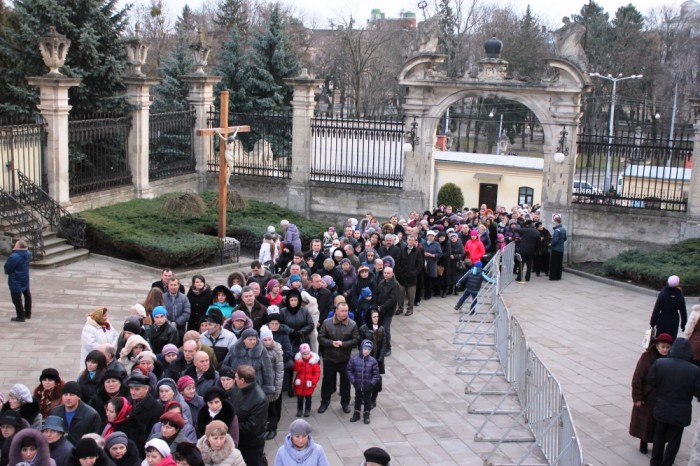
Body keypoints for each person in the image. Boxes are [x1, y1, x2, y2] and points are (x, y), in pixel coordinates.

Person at [647, 337, 700, 465]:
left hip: (662, 408)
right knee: (674, 440)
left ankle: (655, 462)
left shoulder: (661, 363)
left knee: (659, 436)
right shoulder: (695, 370)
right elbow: (698, 392)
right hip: (681, 412)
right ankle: (667, 463)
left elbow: (651, 380)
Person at [629, 333, 672, 455]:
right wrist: (638, 397)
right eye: (663, 347)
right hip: (648, 396)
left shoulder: (671, 359)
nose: (665, 350)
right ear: (657, 345)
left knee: (660, 424)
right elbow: (637, 377)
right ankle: (644, 442)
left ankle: (658, 445)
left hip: (663, 397)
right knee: (646, 422)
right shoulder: (646, 357)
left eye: (667, 347)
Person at [317, 302, 360, 414]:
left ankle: (345, 403)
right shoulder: (327, 323)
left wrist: (343, 344)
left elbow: (356, 340)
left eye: (346, 311)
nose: (344, 313)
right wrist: (331, 343)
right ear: (336, 311)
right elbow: (320, 338)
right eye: (342, 311)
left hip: (344, 359)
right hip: (329, 358)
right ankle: (325, 402)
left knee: (345, 383)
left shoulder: (352, 324)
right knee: (327, 382)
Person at [230, 365, 268, 466]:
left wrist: (231, 426)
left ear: (242, 380)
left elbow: (253, 427)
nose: (234, 379)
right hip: (240, 441)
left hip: (251, 445)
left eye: (236, 377)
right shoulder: (239, 389)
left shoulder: (259, 399)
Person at [49, 382, 101, 447]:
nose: (68, 398)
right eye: (65, 395)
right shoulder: (55, 412)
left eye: (71, 395)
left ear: (79, 397)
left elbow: (95, 440)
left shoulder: (92, 415)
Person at [260, 326, 284, 440]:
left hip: (273, 381)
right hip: (262, 382)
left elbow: (280, 369)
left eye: (269, 339)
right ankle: (265, 425)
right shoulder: (259, 350)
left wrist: (277, 387)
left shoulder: (277, 349)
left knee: (273, 406)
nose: (268, 342)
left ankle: (272, 428)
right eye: (265, 340)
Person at [358, 310, 386, 408]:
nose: (376, 319)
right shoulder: (363, 329)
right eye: (374, 317)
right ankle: (364, 397)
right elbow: (361, 345)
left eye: (377, 316)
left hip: (377, 361)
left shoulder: (381, 329)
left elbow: (383, 345)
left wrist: (380, 358)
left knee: (376, 381)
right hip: (366, 360)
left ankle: (373, 399)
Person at [650, 275, 687, 341]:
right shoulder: (680, 296)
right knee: (672, 338)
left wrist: (653, 322)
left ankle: (660, 349)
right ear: (678, 284)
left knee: (660, 337)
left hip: (663, 318)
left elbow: (656, 309)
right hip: (674, 319)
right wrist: (683, 324)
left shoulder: (663, 294)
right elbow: (683, 311)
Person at [5, 239, 31, 322]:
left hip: (15, 280)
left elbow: (7, 268)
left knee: (16, 298)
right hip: (24, 278)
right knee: (27, 295)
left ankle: (20, 316)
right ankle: (27, 313)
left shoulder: (14, 256)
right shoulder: (28, 253)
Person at [292, 343, 320, 419]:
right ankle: (299, 410)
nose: (306, 355)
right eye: (304, 354)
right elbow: (296, 369)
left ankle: (307, 409)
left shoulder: (313, 362)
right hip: (300, 384)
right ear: (301, 354)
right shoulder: (299, 360)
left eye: (307, 353)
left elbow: (317, 373)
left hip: (309, 384)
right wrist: (298, 362)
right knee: (299, 399)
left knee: (308, 398)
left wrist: (313, 381)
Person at [548, 215, 566, 281]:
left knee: (554, 263)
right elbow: (565, 238)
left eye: (554, 222)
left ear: (556, 222)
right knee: (559, 263)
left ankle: (553, 276)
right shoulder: (563, 229)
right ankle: (559, 276)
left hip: (555, 249)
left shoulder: (557, 230)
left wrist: (550, 245)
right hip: (561, 249)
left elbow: (555, 240)